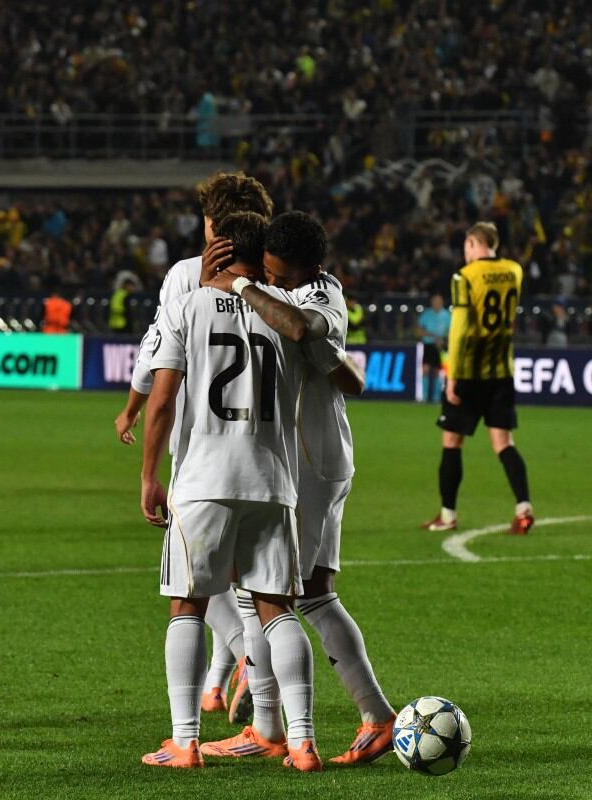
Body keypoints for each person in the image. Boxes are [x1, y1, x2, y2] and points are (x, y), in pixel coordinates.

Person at [200, 211, 397, 765]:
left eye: (277, 274)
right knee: (314, 595)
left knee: (265, 594)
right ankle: (376, 716)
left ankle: (269, 727)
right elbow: (343, 373)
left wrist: (235, 284)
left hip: (307, 463)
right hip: (318, 458)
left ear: (307, 268)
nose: (271, 280)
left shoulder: (317, 296)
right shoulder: (296, 288)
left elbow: (298, 328)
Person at [139, 212, 325, 771]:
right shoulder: (285, 314)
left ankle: (184, 741)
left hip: (205, 479)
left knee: (188, 606)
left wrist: (149, 475)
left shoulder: (189, 305)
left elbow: (163, 399)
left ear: (218, 250)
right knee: (277, 610)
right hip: (273, 481)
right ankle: (303, 742)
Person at [115, 171, 274, 723]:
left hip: (199, 447)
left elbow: (156, 353)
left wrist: (133, 409)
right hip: (269, 453)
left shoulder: (187, 276)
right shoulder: (277, 282)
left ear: (212, 224)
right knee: (256, 581)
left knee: (195, 580)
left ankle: (246, 672)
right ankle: (256, 692)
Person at [422, 222, 533, 534]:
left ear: (473, 243)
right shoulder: (515, 271)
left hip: (469, 372)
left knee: (452, 442)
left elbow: (459, 329)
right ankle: (524, 508)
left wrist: (453, 375)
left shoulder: (464, 276)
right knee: (504, 443)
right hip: (501, 371)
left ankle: (447, 515)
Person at [416, 293, 450, 403]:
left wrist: (444, 340)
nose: (436, 303)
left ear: (442, 302)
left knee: (438, 371)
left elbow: (451, 331)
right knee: (425, 369)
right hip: (428, 345)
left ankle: (436, 397)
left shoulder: (447, 315)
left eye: (438, 301)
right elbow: (419, 330)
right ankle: (424, 397)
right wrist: (433, 336)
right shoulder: (426, 314)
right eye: (434, 301)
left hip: (441, 346)